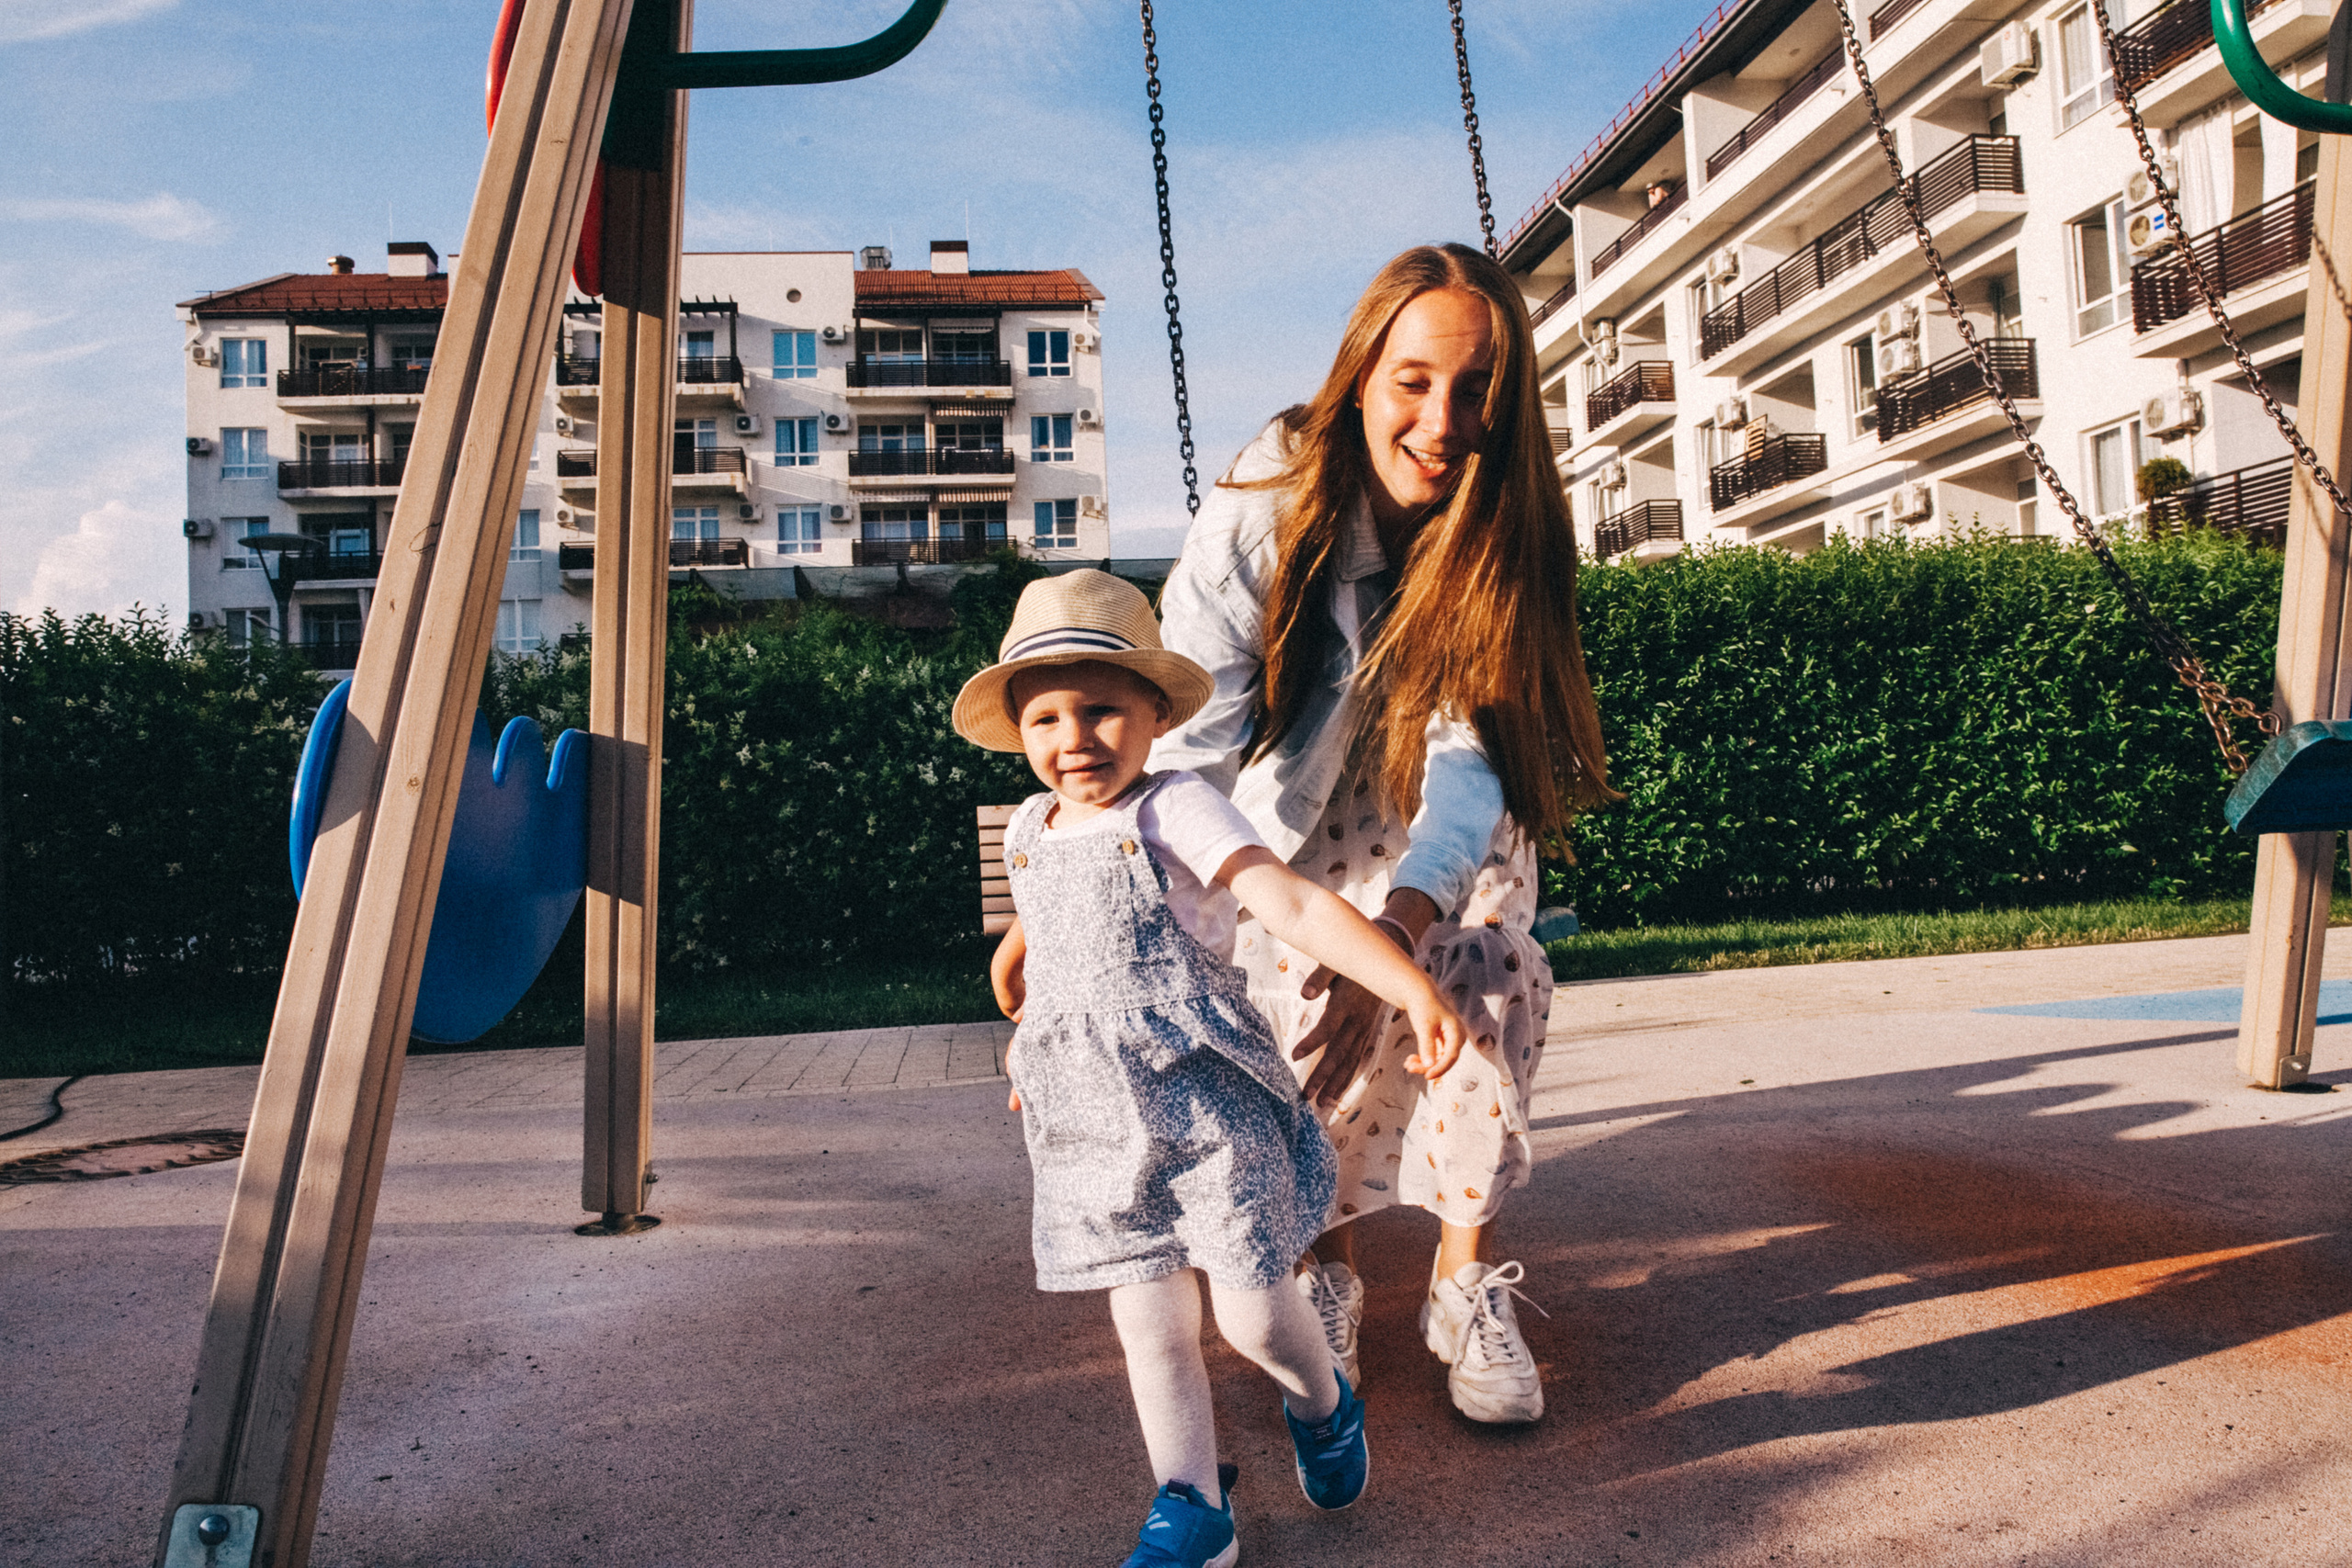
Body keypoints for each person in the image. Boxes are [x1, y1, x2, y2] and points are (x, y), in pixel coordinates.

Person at [1148, 243, 1615, 1425]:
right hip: (1287, 825)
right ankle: (1326, 1268)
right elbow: (1190, 741)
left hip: (1429, 818)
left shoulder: (1503, 526)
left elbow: (1469, 764)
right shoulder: (1267, 505)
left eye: (1474, 392)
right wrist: (1121, 911)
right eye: (1412, 380)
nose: (1441, 420)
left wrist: (1402, 938)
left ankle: (1463, 1285)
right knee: (1306, 998)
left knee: (1484, 972)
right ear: (1360, 373)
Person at [957, 569, 1469, 1568]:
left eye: (1102, 710)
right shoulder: (1030, 826)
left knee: (1251, 1318)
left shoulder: (1174, 808)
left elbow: (1292, 904)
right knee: (1147, 1320)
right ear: (1020, 730)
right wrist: (1023, 981)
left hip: (1202, 1103)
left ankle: (1322, 1406)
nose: (1075, 740)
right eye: (1047, 718)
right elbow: (1055, 925)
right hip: (1094, 1116)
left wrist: (1405, 981)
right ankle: (1191, 1501)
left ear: (1154, 714)